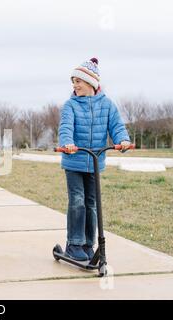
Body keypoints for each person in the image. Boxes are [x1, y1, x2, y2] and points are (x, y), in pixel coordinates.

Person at [58, 58, 131, 261]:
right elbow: (65, 128)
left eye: (78, 81)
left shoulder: (107, 105)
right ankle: (74, 244)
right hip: (74, 161)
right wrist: (67, 143)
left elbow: (116, 126)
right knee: (78, 202)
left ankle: (88, 244)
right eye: (73, 82)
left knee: (91, 203)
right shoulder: (70, 105)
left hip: (95, 162)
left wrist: (123, 140)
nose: (75, 85)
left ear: (91, 82)